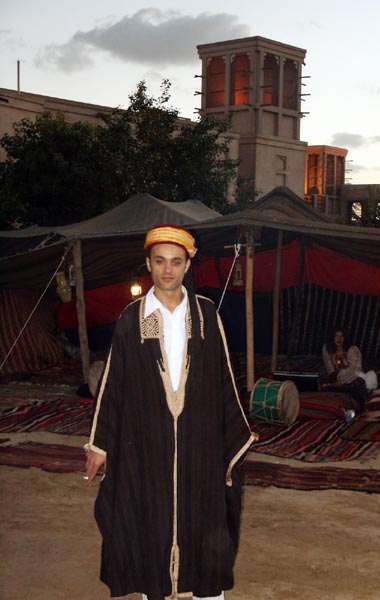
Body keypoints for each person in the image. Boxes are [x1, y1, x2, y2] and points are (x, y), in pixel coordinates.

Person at [84, 224, 255, 600]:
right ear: (148, 263)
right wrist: (99, 444)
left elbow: (225, 378)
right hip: (148, 448)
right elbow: (114, 384)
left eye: (176, 262)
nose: (167, 270)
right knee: (151, 528)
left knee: (206, 531)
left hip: (200, 444)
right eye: (159, 261)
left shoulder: (208, 315)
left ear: (187, 265)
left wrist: (231, 444)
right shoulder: (133, 319)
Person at [321, 327, 377, 413]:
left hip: (354, 379)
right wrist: (335, 381)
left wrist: (343, 381)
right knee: (326, 390)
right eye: (336, 336)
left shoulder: (352, 350)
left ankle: (360, 411)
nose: (339, 339)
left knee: (355, 392)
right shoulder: (328, 349)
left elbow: (354, 370)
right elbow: (330, 369)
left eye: (341, 336)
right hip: (338, 380)